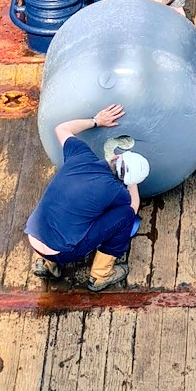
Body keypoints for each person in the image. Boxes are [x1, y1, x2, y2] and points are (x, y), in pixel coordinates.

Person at [25, 103, 150, 291]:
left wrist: (96, 121)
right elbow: (131, 209)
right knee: (124, 217)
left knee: (67, 204)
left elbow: (62, 128)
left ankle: (46, 265)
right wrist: (133, 184)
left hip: (33, 238)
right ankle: (100, 276)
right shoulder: (116, 190)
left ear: (116, 157)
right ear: (126, 181)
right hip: (62, 252)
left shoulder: (80, 156)